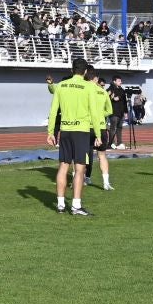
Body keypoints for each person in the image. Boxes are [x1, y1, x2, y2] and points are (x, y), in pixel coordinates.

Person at [47, 59, 98, 217]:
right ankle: (76, 205)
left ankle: (61, 204)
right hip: (81, 131)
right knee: (80, 168)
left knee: (63, 166)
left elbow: (53, 110)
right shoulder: (89, 86)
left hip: (66, 130)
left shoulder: (61, 86)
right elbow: (94, 112)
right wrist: (97, 133)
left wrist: (50, 132)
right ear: (84, 72)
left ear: (71, 70)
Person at [88, 71, 115, 193]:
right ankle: (106, 183)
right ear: (97, 79)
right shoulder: (103, 92)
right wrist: (100, 114)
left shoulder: (86, 90)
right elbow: (109, 110)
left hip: (87, 126)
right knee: (102, 155)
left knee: (83, 155)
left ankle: (82, 178)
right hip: (101, 127)